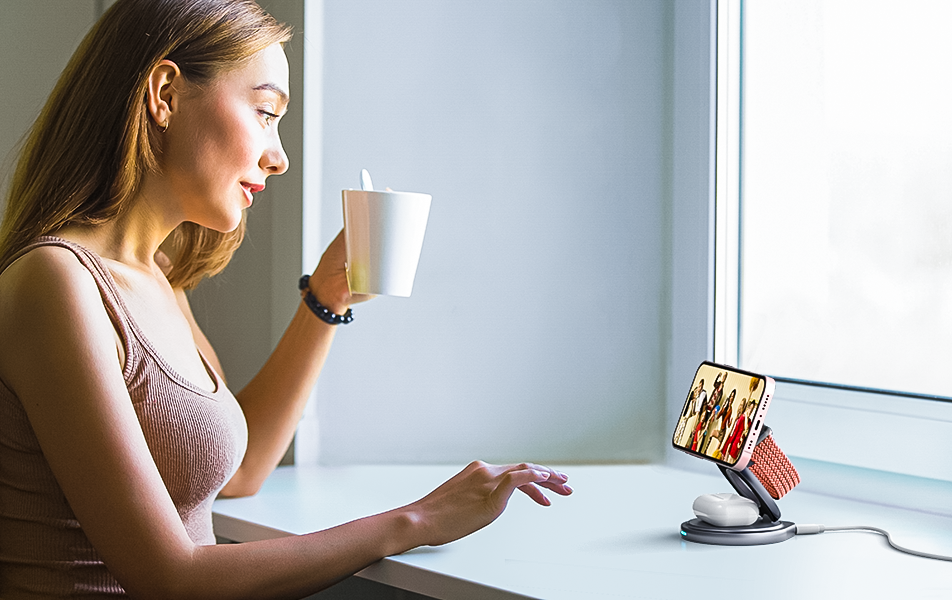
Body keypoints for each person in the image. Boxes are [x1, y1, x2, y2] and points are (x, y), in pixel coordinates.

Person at [0, 1, 571, 597]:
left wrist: (326, 297)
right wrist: (417, 521)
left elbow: (240, 473)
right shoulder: (56, 282)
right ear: (165, 93)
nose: (279, 157)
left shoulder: (158, 277)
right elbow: (172, 577)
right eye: (266, 111)